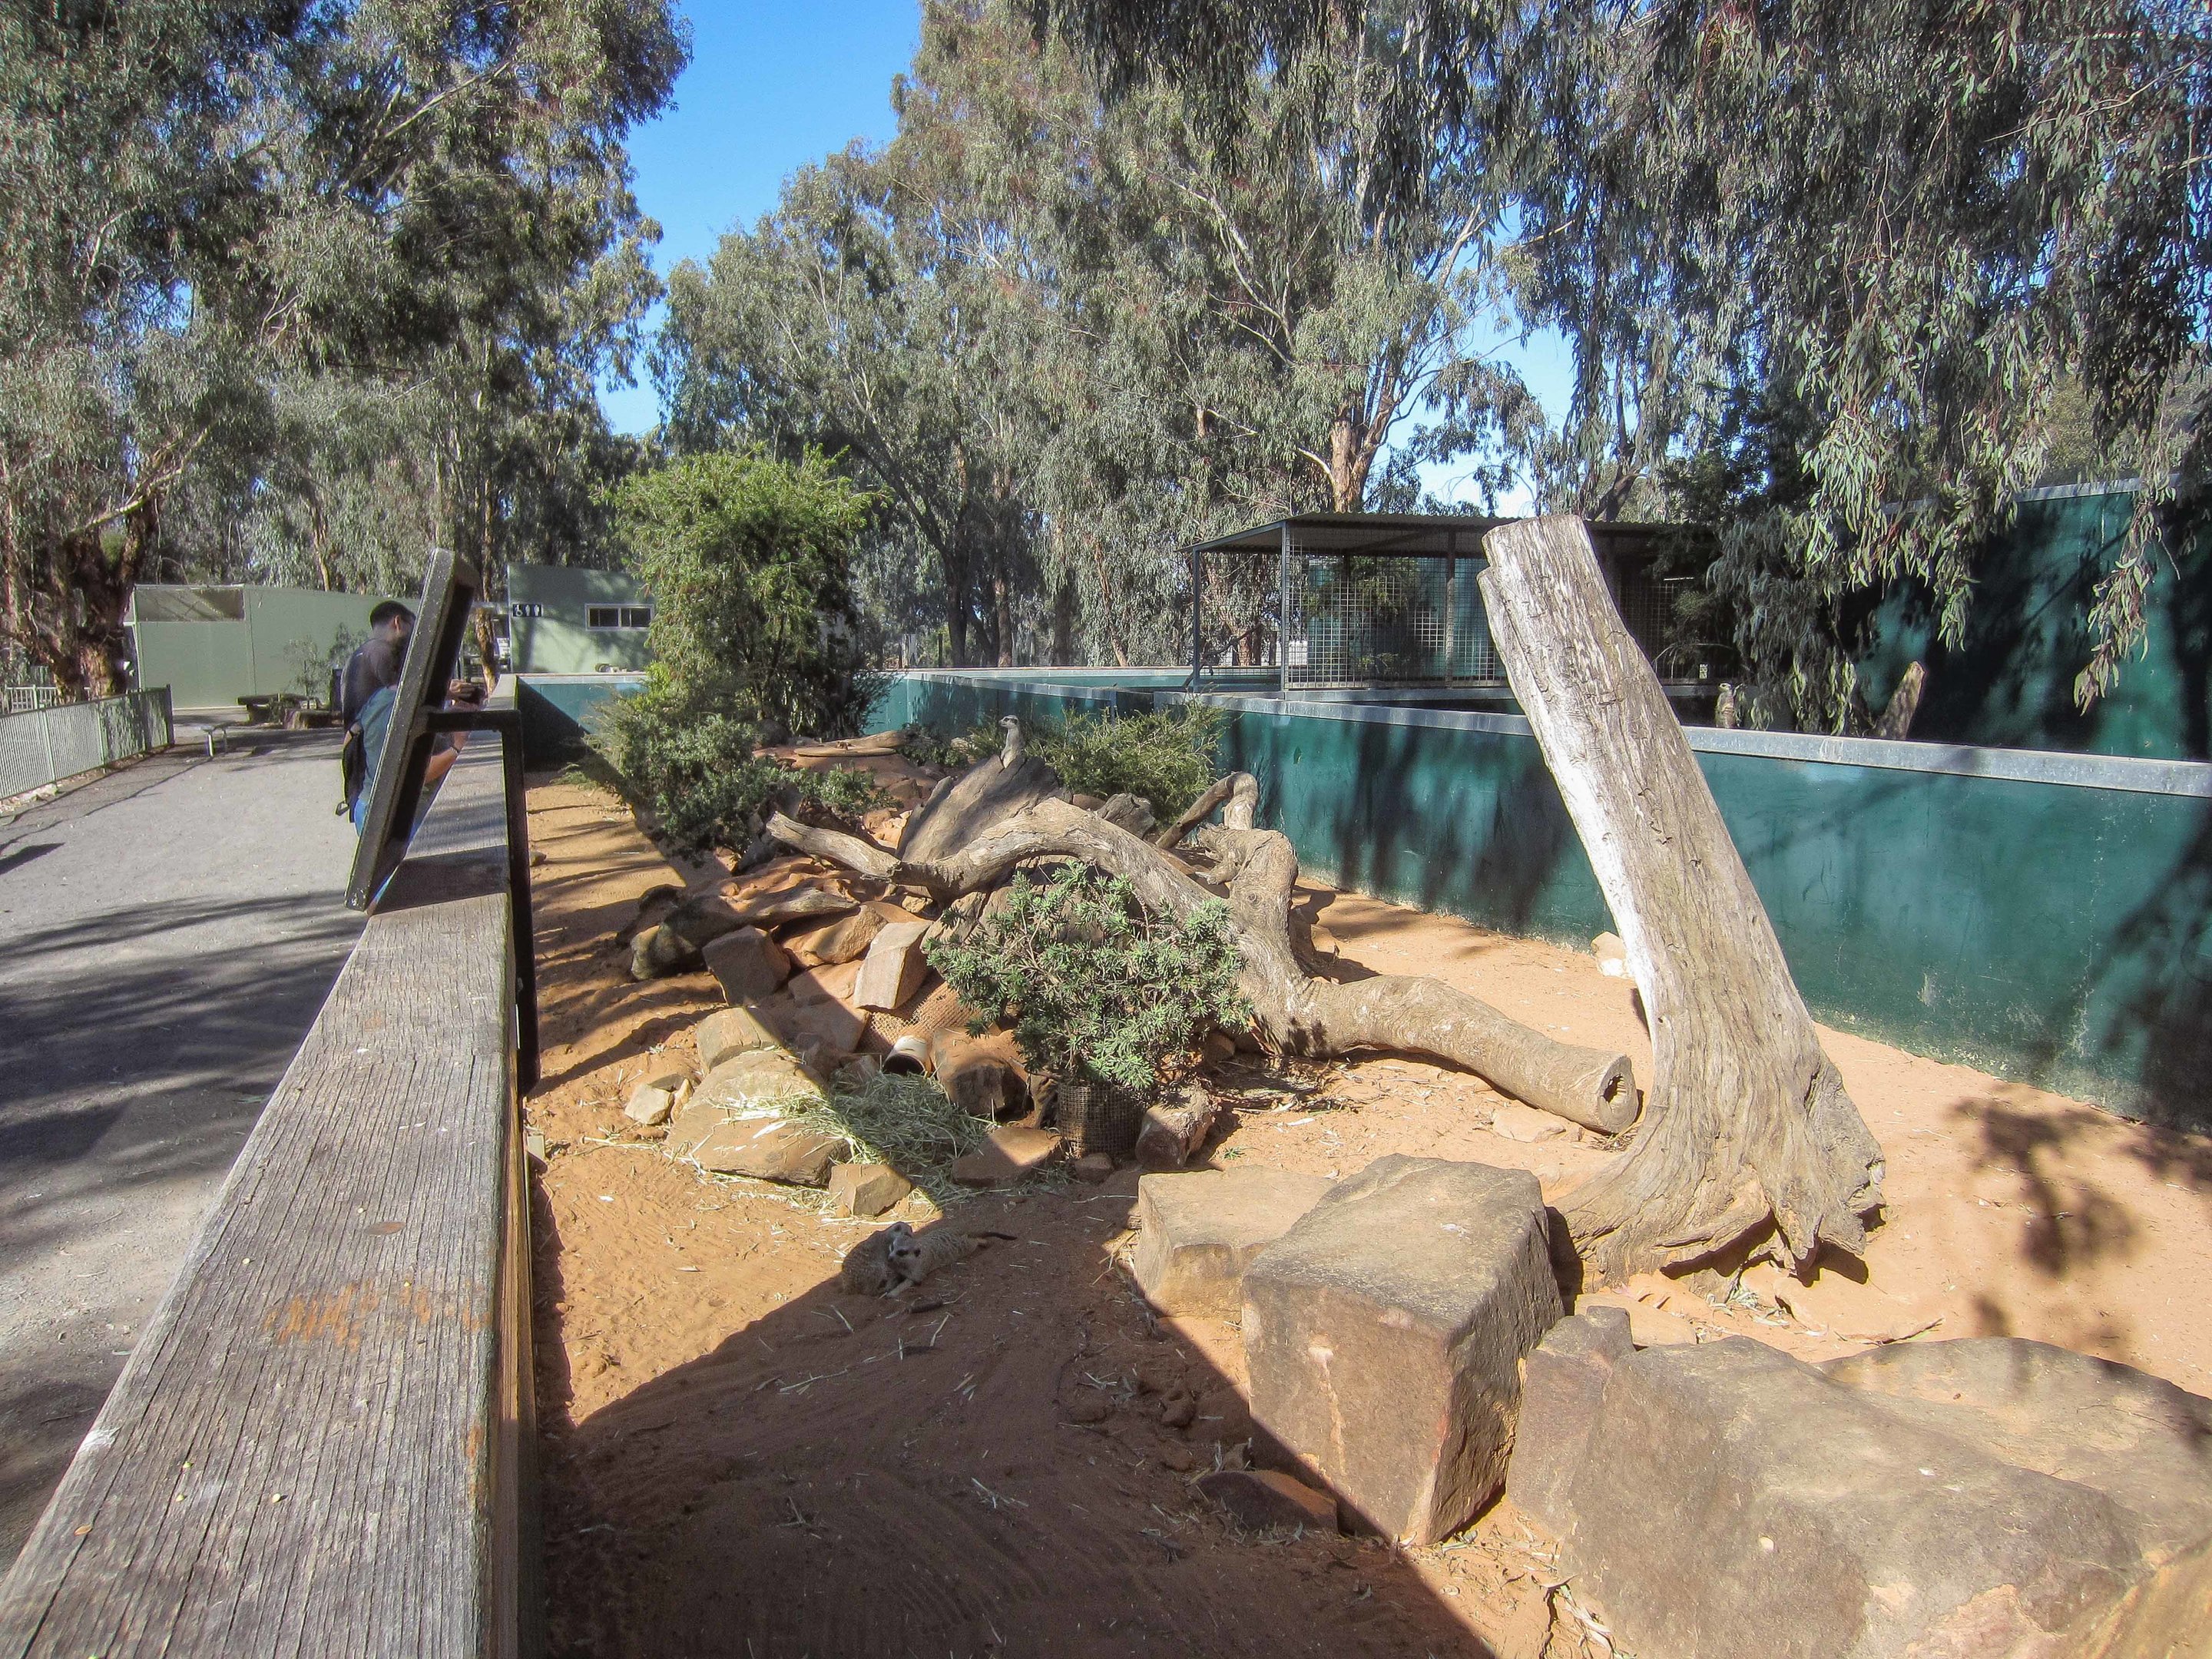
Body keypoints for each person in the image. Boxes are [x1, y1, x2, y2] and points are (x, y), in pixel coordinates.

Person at [341, 601, 415, 727]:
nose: (413, 636)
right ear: (398, 623)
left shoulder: (356, 656)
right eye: (412, 628)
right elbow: (407, 697)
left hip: (357, 736)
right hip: (377, 737)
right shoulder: (383, 651)